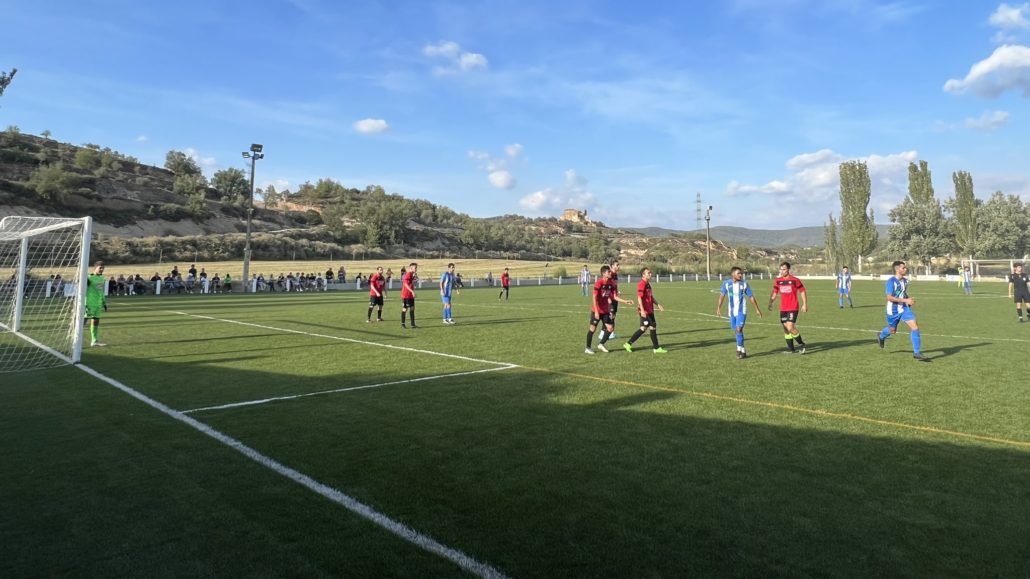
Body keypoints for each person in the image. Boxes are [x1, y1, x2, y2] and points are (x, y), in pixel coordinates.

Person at [878, 260, 929, 361]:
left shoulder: (905, 281)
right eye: (903, 268)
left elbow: (903, 293)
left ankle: (917, 353)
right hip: (893, 311)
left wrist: (908, 300)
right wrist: (906, 300)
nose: (906, 269)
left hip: (904, 309)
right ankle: (881, 336)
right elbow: (889, 298)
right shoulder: (891, 282)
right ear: (897, 269)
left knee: (915, 327)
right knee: (892, 330)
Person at [716, 266, 763, 359]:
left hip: (742, 310)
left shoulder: (744, 284)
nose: (741, 275)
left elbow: (751, 297)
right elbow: (722, 296)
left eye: (741, 273)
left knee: (738, 329)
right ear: (733, 274)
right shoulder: (726, 284)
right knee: (737, 331)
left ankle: (738, 350)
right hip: (732, 311)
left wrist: (757, 309)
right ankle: (743, 350)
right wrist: (718, 308)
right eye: (739, 273)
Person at [623, 267, 667, 354]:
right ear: (643, 275)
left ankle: (629, 344)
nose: (650, 274)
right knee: (648, 327)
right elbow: (639, 297)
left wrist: (658, 304)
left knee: (647, 328)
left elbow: (650, 297)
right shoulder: (642, 284)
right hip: (645, 311)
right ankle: (655, 348)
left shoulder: (648, 284)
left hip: (649, 310)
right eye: (648, 273)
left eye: (650, 272)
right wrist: (642, 310)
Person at [768, 261, 808, 354]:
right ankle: (791, 349)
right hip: (783, 308)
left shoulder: (795, 280)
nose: (782, 271)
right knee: (785, 329)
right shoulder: (778, 281)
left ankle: (802, 344)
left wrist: (805, 304)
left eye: (784, 269)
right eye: (781, 269)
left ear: (788, 269)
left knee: (790, 327)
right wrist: (770, 302)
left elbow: (802, 291)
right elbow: (774, 292)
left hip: (793, 307)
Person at [585, 265, 616, 354]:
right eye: (608, 272)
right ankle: (588, 347)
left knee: (610, 328)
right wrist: (596, 311)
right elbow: (594, 297)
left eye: (610, 272)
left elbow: (614, 296)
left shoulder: (610, 283)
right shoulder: (599, 283)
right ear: (603, 273)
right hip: (597, 310)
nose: (610, 273)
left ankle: (601, 344)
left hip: (605, 311)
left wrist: (625, 301)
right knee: (592, 329)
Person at [85, 261, 108, 347]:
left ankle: (94, 341)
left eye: (103, 268)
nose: (102, 269)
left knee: (95, 322)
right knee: (83, 322)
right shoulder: (89, 278)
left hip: (98, 304)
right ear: (95, 268)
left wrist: (104, 303)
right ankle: (75, 340)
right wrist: (84, 303)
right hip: (89, 304)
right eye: (100, 268)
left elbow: (101, 291)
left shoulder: (102, 278)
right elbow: (83, 290)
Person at [401, 262, 418, 328]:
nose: (416, 269)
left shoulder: (412, 274)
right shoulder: (408, 274)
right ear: (411, 268)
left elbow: (410, 283)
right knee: (405, 309)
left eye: (416, 268)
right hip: (406, 295)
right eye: (415, 268)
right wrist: (412, 291)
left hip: (410, 295)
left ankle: (412, 324)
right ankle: (403, 324)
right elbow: (405, 284)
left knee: (412, 308)